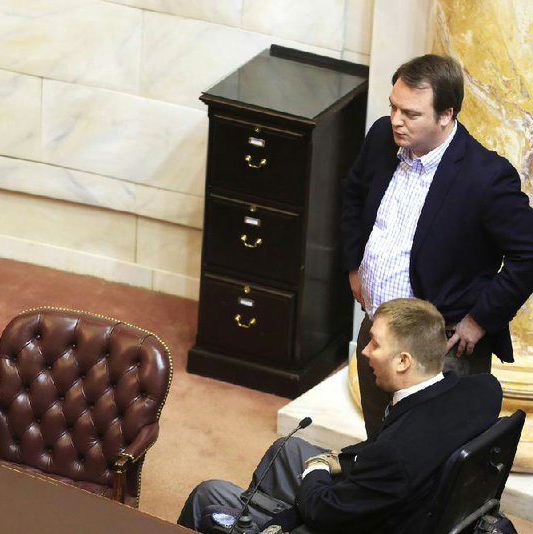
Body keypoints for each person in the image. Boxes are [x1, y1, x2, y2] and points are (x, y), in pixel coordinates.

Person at [177, 298, 502, 533]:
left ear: (403, 361)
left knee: (208, 493)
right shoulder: (484, 391)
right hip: (402, 498)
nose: (364, 351)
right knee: (285, 449)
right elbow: (392, 450)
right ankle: (256, 509)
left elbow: (323, 512)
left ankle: (256, 522)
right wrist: (345, 459)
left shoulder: (394, 456)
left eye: (374, 344)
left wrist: (319, 467)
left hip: (356, 520)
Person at [341, 54, 533, 437]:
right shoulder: (382, 137)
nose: (396, 120)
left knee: (430, 461)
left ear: (445, 115)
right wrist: (354, 266)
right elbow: (353, 196)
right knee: (379, 445)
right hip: (378, 331)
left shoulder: (487, 177)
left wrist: (479, 320)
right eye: (393, 107)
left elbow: (528, 254)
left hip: (440, 350)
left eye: (410, 114)